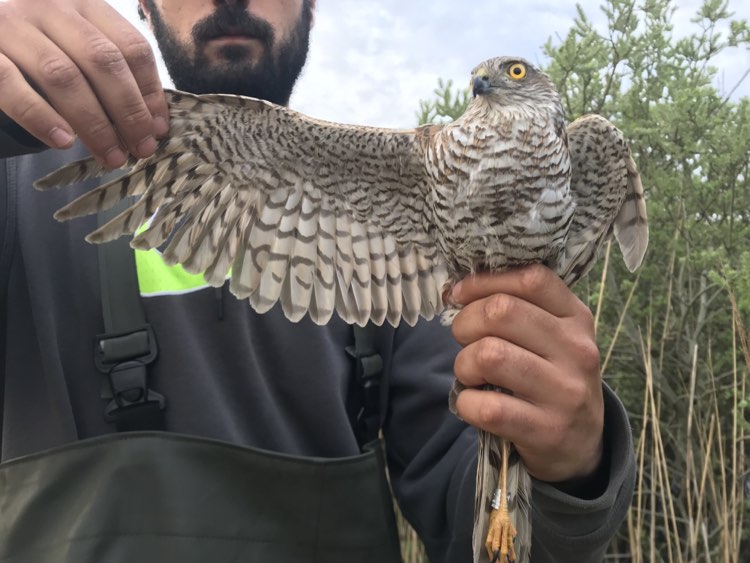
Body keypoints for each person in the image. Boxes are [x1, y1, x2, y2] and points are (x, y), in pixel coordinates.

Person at [0, 1, 635, 562]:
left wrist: (571, 471)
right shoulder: (19, 182)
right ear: (143, 5)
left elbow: (478, 526)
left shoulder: (427, 196)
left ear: (312, 7)